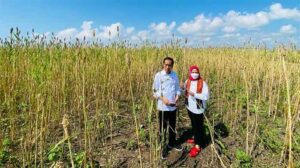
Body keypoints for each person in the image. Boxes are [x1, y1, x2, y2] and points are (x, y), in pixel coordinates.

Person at [152, 56, 182, 159]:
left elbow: (178, 88)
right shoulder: (158, 76)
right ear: (163, 64)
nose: (167, 67)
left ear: (172, 66)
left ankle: (172, 143)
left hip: (173, 107)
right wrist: (162, 98)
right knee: (162, 128)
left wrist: (177, 96)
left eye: (170, 65)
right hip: (162, 107)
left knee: (172, 126)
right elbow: (155, 91)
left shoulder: (175, 75)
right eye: (166, 64)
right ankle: (162, 147)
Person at [183, 65, 209, 157]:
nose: (194, 74)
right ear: (190, 72)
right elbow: (185, 92)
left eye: (196, 72)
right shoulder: (187, 81)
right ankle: (196, 138)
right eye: (193, 72)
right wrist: (182, 87)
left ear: (199, 73)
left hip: (198, 109)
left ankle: (198, 145)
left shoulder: (203, 83)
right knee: (193, 124)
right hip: (189, 107)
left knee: (198, 126)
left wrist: (194, 94)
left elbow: (206, 96)